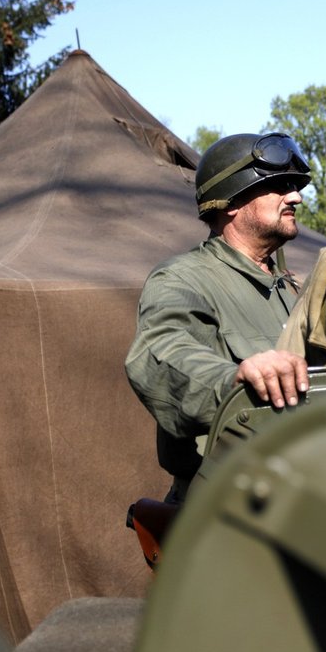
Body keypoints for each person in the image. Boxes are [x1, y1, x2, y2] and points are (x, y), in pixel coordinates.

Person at [125, 132, 312, 504]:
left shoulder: (296, 290)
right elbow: (160, 350)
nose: (296, 196)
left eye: (294, 186)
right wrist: (232, 380)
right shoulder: (183, 278)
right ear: (230, 201)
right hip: (224, 506)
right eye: (278, 186)